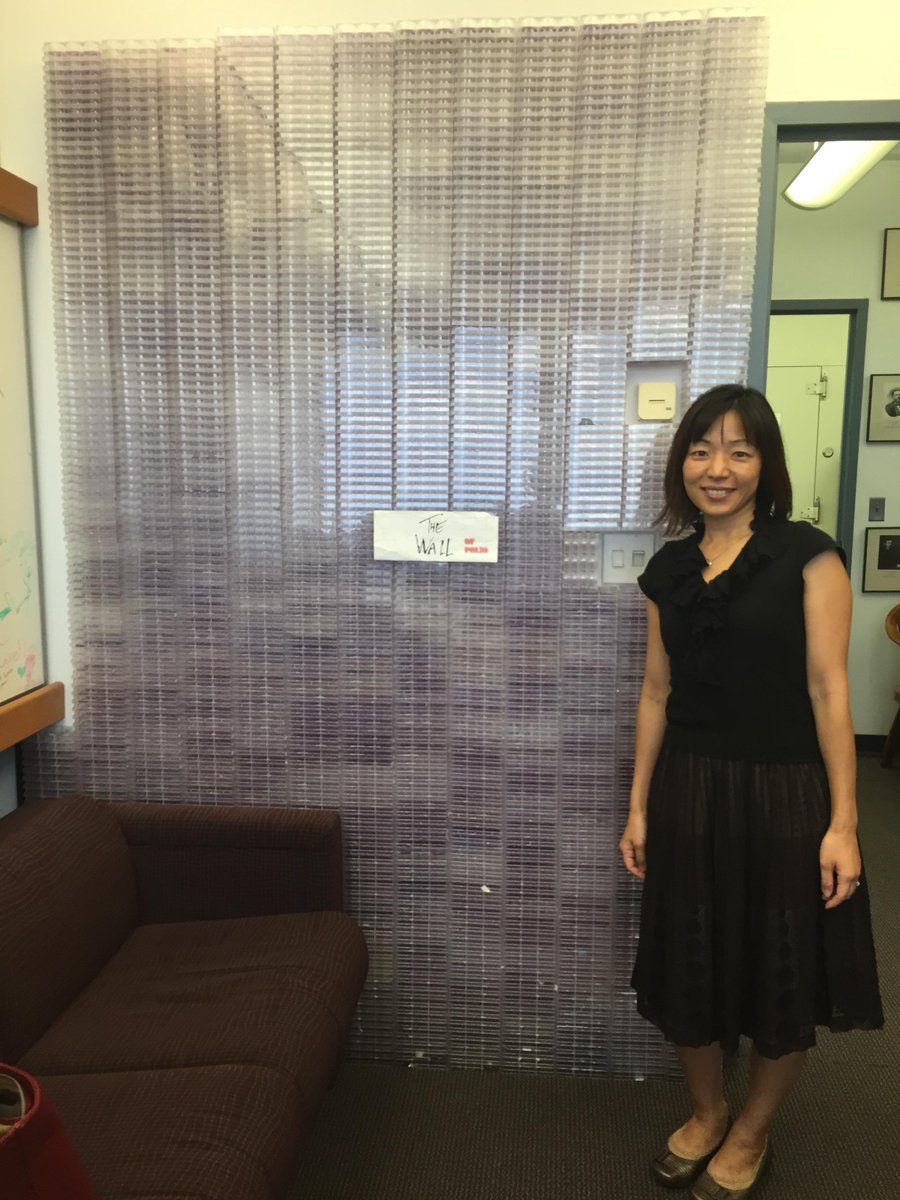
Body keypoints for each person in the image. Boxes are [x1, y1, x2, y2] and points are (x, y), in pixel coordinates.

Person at [618, 384, 883, 1200]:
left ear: (765, 464)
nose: (718, 468)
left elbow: (830, 692)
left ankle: (753, 1129)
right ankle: (708, 1112)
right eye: (701, 450)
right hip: (690, 789)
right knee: (688, 964)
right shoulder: (667, 570)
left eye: (739, 450)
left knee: (780, 970)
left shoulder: (809, 556)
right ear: (681, 464)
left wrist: (844, 823)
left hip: (785, 794)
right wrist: (638, 806)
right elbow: (656, 692)